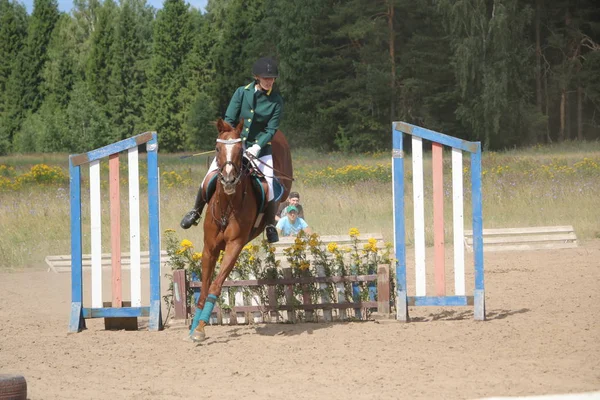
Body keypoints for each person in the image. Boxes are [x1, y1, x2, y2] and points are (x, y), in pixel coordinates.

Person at [180, 56, 283, 243]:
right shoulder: (241, 93)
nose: (270, 82)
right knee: (210, 176)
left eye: (272, 78)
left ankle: (269, 225)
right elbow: (229, 118)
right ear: (257, 77)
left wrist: (257, 146)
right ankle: (196, 211)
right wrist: (233, 141)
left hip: (261, 148)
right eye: (266, 78)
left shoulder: (276, 100)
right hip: (234, 145)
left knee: (269, 185)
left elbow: (271, 129)